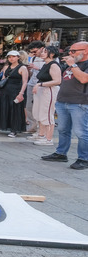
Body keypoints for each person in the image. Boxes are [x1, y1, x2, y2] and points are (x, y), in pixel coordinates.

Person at [42, 41, 88, 170]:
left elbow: (84, 79)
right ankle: (61, 153)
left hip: (80, 102)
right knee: (63, 129)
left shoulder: (78, 64)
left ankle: (84, 158)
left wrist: (72, 64)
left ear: (85, 51)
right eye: (70, 51)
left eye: (74, 51)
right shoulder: (71, 64)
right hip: (63, 101)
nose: (70, 53)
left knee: (81, 132)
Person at [0, 50, 28, 138]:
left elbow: (24, 82)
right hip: (4, 90)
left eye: (13, 56)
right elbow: (3, 79)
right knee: (0, 107)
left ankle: (14, 129)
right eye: (9, 57)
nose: (11, 58)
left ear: (18, 57)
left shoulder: (22, 68)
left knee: (14, 110)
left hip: (15, 90)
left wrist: (21, 93)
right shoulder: (7, 67)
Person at [29, 46, 61, 146]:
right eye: (42, 51)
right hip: (41, 90)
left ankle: (48, 139)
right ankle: (41, 134)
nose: (42, 53)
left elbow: (57, 81)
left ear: (51, 54)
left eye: (45, 52)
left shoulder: (54, 65)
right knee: (39, 113)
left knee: (47, 114)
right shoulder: (45, 64)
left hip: (49, 90)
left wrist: (40, 84)